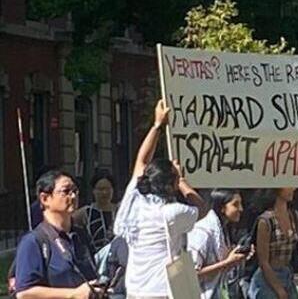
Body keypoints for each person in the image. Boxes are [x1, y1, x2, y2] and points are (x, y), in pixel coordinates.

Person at [113, 99, 209, 299]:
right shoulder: (172, 213)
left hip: (136, 288)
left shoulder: (135, 196)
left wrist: (157, 125)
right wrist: (182, 182)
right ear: (170, 185)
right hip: (163, 290)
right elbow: (203, 209)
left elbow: (142, 160)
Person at [15, 170, 101, 299]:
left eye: (75, 191)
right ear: (45, 198)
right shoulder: (34, 241)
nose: (73, 196)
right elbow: (24, 293)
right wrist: (73, 294)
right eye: (66, 191)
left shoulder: (81, 235)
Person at [248, 188, 298, 299]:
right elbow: (263, 262)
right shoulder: (265, 221)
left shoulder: (294, 216)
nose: (293, 188)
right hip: (267, 280)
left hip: (287, 275)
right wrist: (280, 291)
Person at [187, 189, 252, 299]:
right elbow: (192, 274)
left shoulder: (223, 230)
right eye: (235, 205)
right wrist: (227, 263)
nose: (241, 209)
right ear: (222, 208)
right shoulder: (203, 232)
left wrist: (238, 256)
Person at [74, 170, 116, 251]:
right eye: (100, 189)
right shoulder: (85, 212)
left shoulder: (120, 211)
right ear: (93, 191)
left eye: (108, 189)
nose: (104, 193)